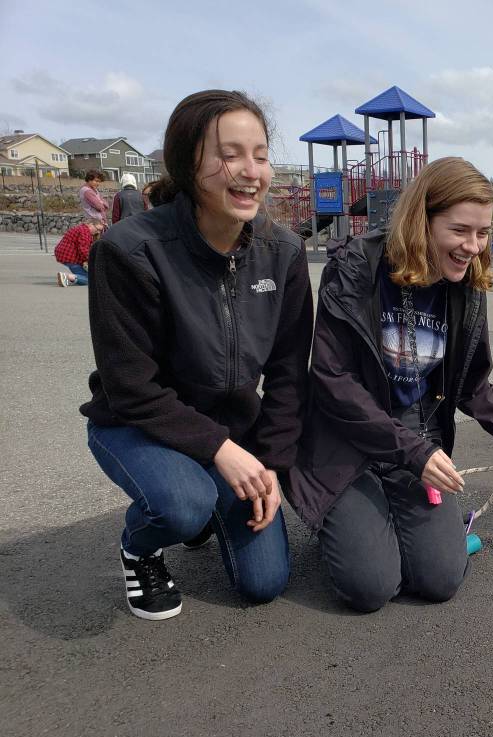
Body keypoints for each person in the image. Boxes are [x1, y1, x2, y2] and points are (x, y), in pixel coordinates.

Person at [81, 89, 314, 620]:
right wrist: (222, 451)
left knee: (265, 584)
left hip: (230, 432)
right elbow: (131, 388)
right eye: (228, 154)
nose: (249, 170)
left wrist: (270, 464)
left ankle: (205, 498)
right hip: (135, 423)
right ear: (187, 162)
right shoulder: (127, 251)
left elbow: (286, 375)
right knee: (180, 506)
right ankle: (140, 547)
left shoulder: (284, 251)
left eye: (259, 154)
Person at [286, 156, 493, 613]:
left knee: (440, 579)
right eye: (459, 230)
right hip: (347, 443)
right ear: (421, 219)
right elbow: (332, 380)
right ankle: (339, 519)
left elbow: (471, 378)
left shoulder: (464, 284)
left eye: (482, 232)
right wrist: (415, 453)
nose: (472, 246)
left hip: (416, 438)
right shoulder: (355, 269)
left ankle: (426, 530)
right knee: (370, 588)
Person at [55, 219, 105, 286]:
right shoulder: (85, 232)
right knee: (90, 280)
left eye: (100, 231)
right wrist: (92, 260)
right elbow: (83, 249)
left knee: (87, 275)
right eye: (97, 229)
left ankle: (69, 277)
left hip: (65, 253)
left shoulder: (82, 228)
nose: (98, 232)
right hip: (70, 256)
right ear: (91, 224)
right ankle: (67, 276)